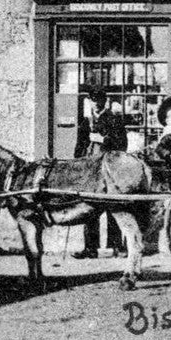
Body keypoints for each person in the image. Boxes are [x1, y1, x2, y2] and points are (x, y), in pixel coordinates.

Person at [72, 83, 128, 259]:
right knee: (89, 206)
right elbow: (79, 146)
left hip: (109, 169)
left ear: (106, 101)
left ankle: (116, 246)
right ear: (89, 101)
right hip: (90, 168)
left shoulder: (114, 119)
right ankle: (90, 247)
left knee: (113, 205)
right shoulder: (85, 122)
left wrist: (104, 140)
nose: (97, 103)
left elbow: (122, 144)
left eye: (100, 100)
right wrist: (77, 163)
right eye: (93, 100)